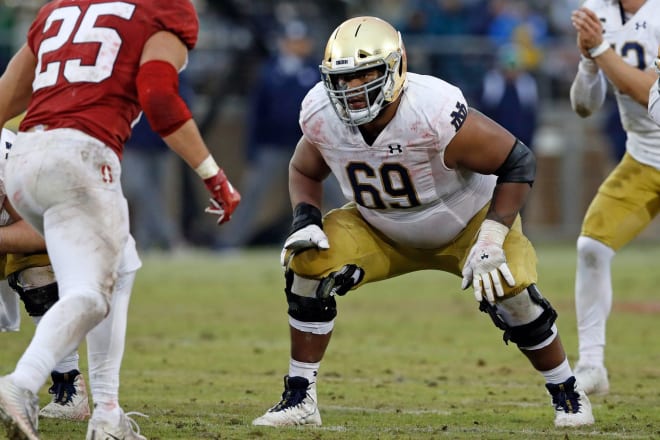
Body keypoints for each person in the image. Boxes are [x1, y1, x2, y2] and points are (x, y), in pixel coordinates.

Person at [252, 16, 594, 429]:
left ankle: (567, 393)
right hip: (378, 227)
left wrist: (491, 234)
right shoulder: (321, 112)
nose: (353, 90)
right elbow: (304, 169)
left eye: (366, 75)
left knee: (512, 290)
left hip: (466, 223)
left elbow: (517, 160)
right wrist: (305, 218)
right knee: (307, 263)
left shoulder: (430, 109)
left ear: (396, 68)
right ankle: (300, 398)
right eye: (343, 79)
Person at [0, 1, 241, 439]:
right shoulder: (164, 9)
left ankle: (107, 415)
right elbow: (158, 96)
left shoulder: (60, 7)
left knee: (121, 265)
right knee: (91, 294)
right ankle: (22, 383)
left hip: (24, 157)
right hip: (81, 158)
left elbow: (8, 95)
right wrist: (213, 173)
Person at [569, 0, 660, 396]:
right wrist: (589, 61)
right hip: (643, 156)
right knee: (591, 246)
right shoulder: (598, 11)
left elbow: (651, 97)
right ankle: (591, 364)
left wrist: (601, 50)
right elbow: (584, 106)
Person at [216, 20, 342, 250]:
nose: (298, 45)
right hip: (272, 145)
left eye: (301, 41)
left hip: (307, 144)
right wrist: (251, 150)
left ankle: (357, 235)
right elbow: (256, 114)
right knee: (253, 191)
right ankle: (230, 242)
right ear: (284, 43)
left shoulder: (315, 71)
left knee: (335, 190)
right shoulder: (269, 72)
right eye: (293, 41)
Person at [0, 127, 91, 421]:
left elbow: (42, 233)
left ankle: (68, 384)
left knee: (38, 266)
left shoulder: (7, 158)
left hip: (51, 234)